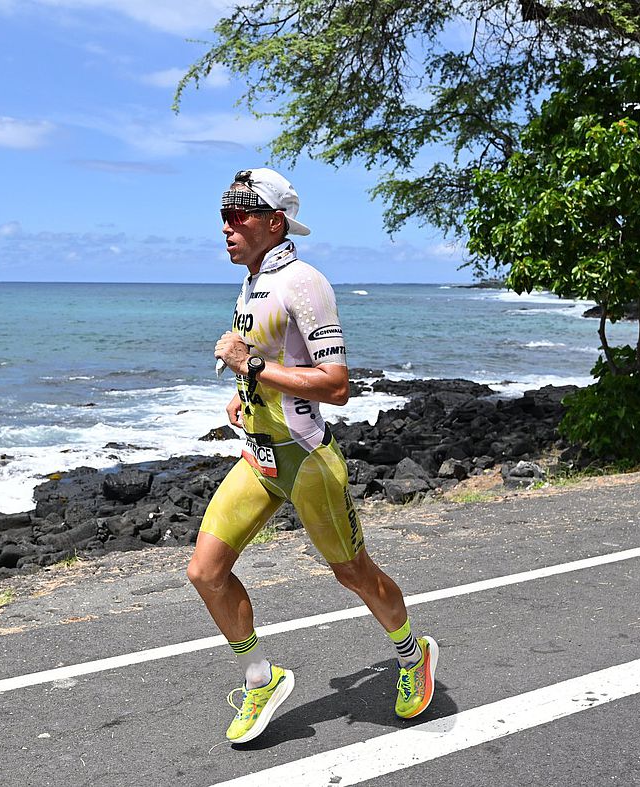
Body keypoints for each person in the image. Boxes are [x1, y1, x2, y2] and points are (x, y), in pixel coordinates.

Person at [188, 167, 438, 744]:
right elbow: (276, 357)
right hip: (258, 455)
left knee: (352, 572)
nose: (226, 228)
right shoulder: (252, 281)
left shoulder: (305, 282)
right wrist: (244, 391)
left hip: (306, 459)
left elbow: (335, 384)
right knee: (205, 571)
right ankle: (261, 677)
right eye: (222, 217)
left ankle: (411, 653)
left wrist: (248, 367)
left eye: (238, 217)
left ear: (274, 223)